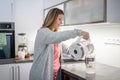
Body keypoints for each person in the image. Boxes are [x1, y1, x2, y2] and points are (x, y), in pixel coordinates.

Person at [29, 8, 89, 80]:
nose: (61, 22)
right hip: (42, 76)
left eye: (62, 20)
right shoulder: (43, 32)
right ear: (52, 19)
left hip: (55, 75)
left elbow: (68, 51)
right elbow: (58, 37)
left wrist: (82, 51)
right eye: (59, 19)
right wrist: (78, 32)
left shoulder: (55, 36)